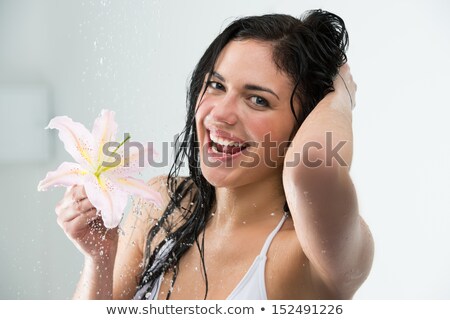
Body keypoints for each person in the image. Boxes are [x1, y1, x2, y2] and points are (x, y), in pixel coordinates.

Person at [55, 9, 374, 300]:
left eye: (258, 100)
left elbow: (310, 168)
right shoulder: (161, 206)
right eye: (217, 86)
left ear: (305, 123)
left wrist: (340, 93)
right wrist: (99, 257)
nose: (220, 114)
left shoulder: (311, 254)